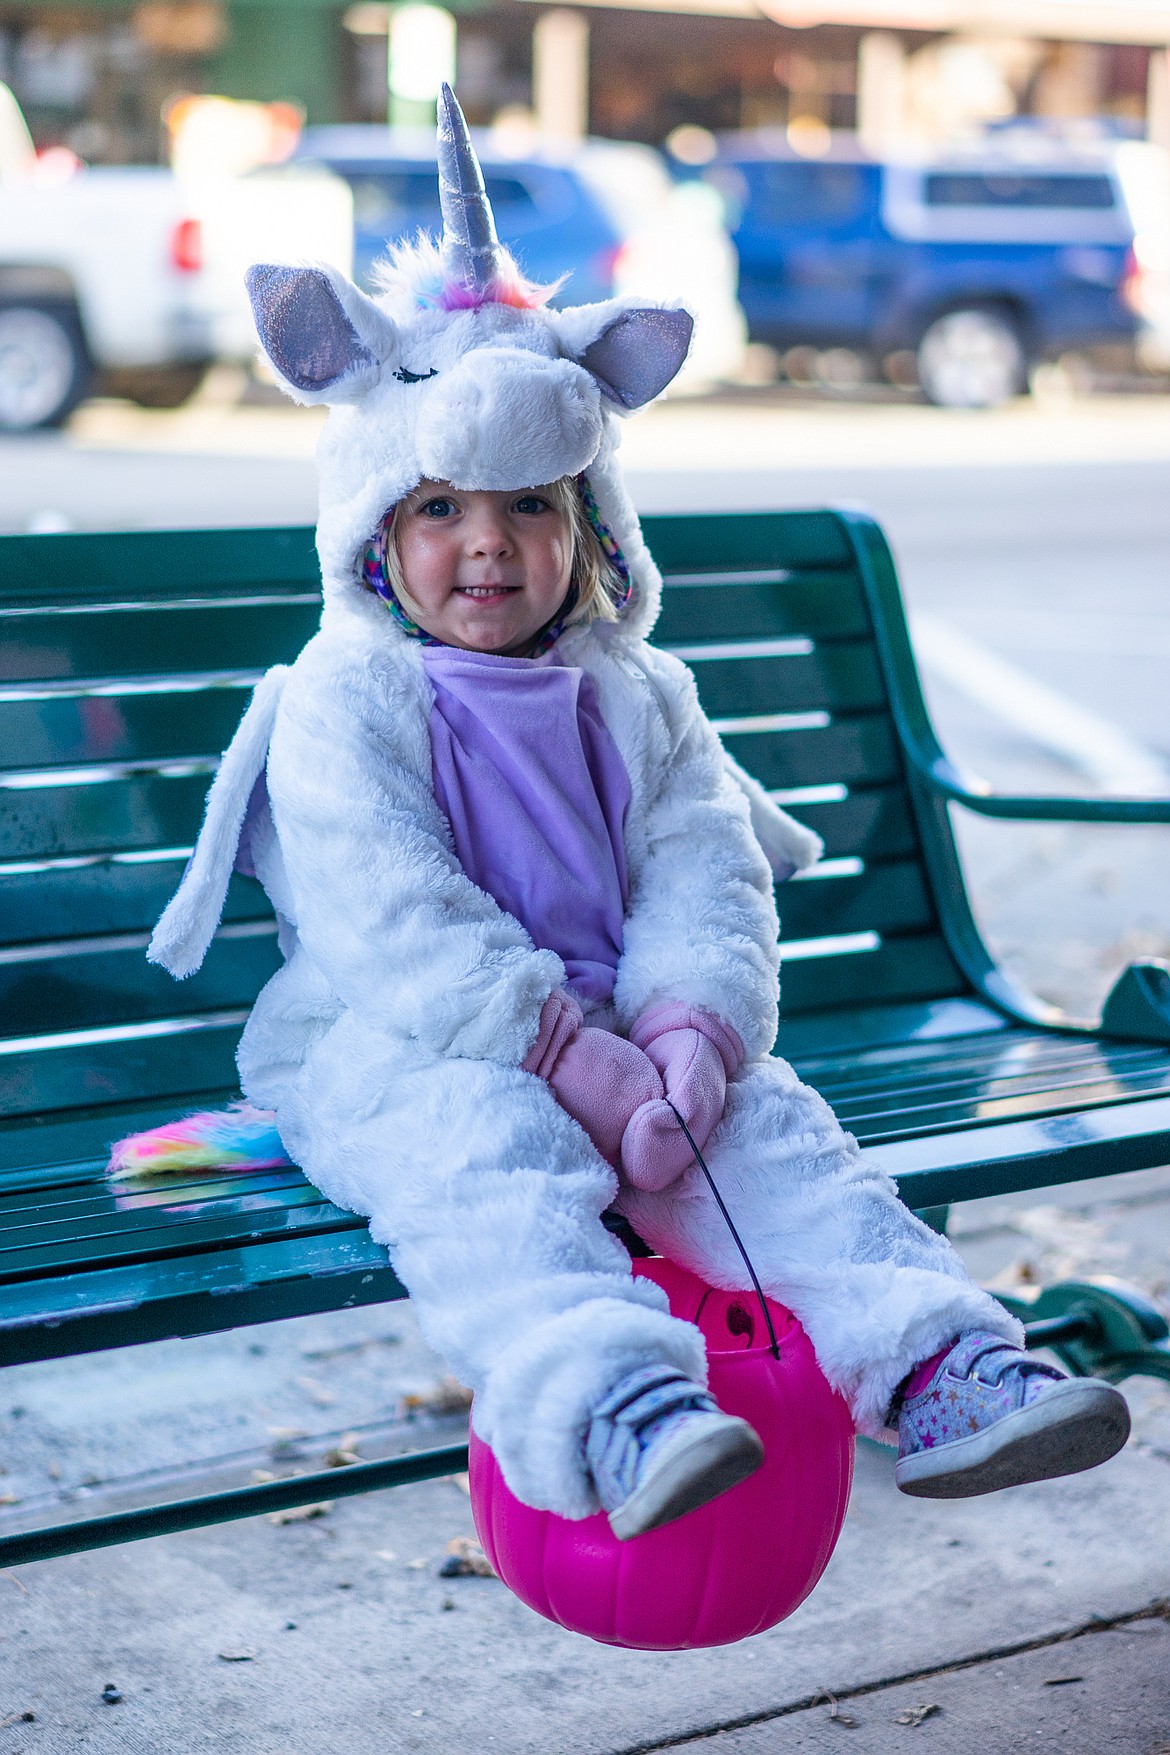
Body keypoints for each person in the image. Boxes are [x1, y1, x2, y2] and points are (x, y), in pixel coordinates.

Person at [115, 87, 1130, 1543]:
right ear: (376, 533)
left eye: (531, 507)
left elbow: (701, 861)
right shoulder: (349, 701)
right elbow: (388, 909)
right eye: (442, 508)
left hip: (635, 1038)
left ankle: (947, 1367)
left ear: (589, 532)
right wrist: (567, 1061)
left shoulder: (632, 689)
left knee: (779, 1156)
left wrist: (687, 1035)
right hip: (399, 1035)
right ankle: (605, 1401)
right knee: (486, 1171)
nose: (488, 543)